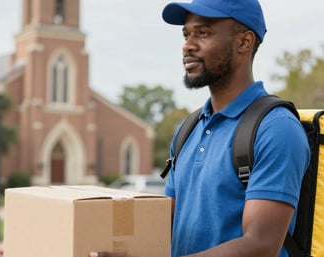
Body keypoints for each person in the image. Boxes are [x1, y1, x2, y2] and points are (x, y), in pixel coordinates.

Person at [90, 0, 310, 257]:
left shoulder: (276, 129)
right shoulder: (187, 130)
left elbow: (260, 246)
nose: (188, 45)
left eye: (203, 33)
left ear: (244, 42)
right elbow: (167, 224)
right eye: (186, 34)